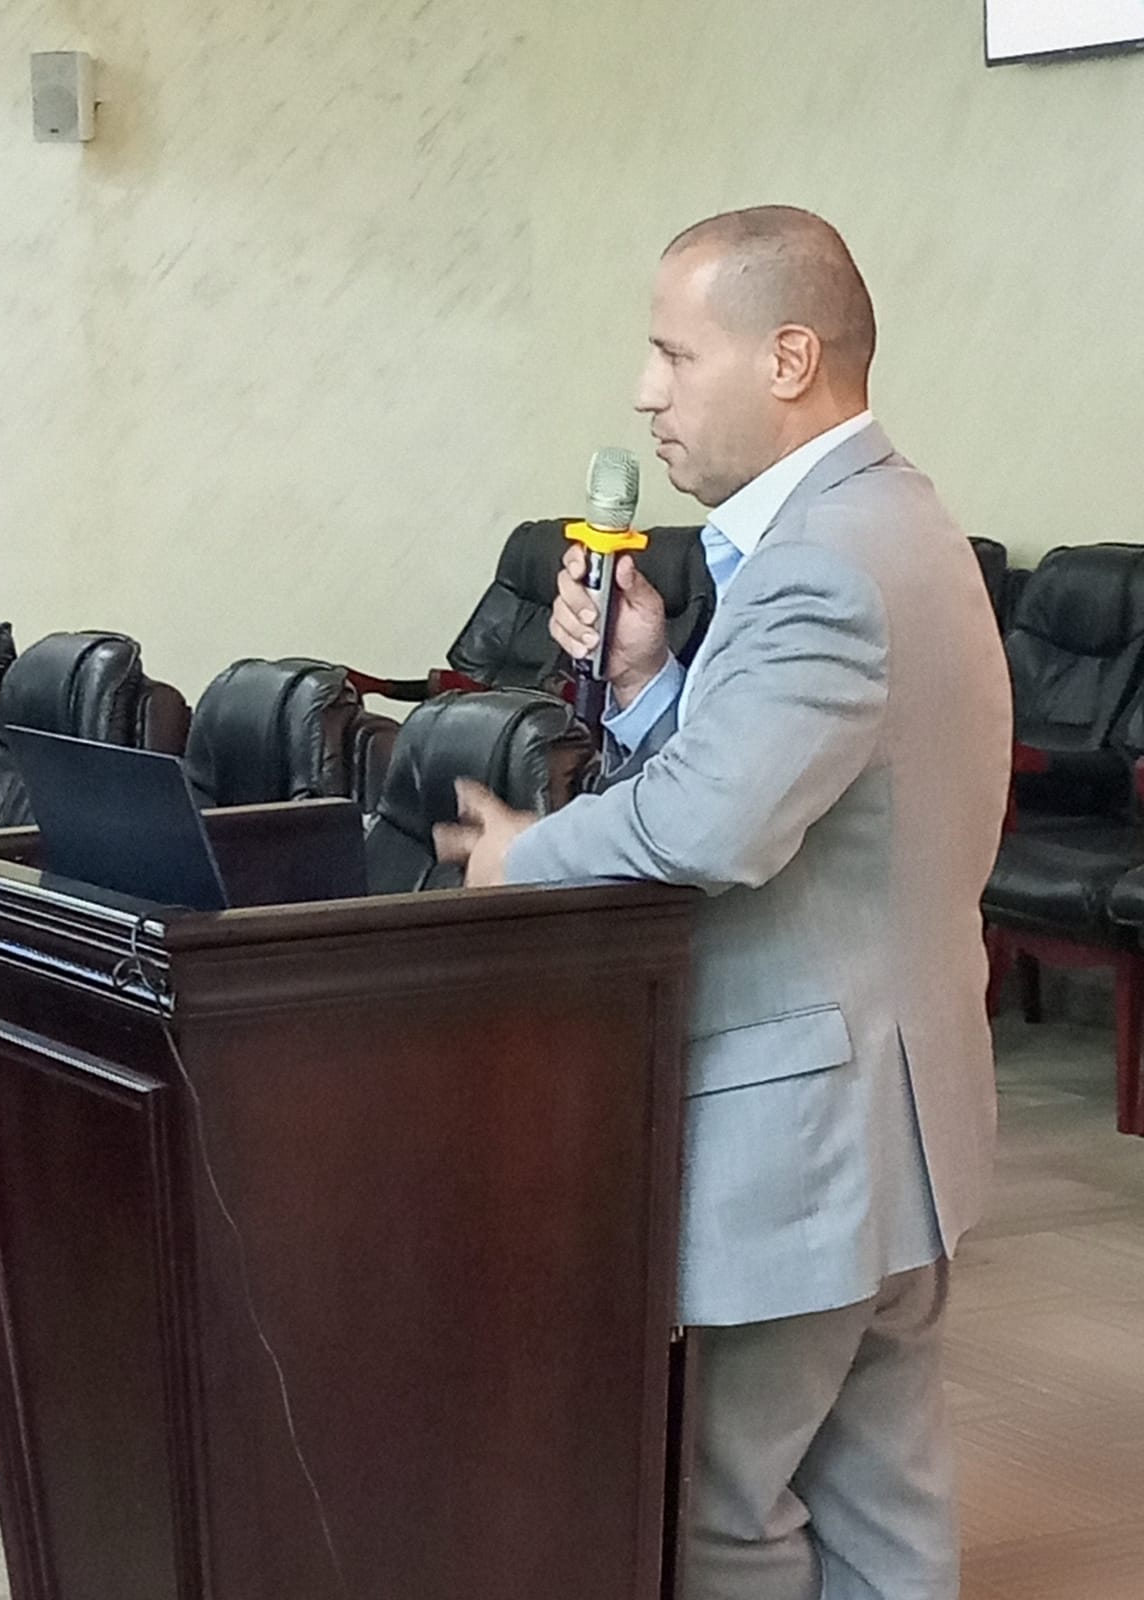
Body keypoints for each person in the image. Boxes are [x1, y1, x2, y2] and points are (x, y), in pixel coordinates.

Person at [436, 206, 1012, 1600]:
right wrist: (650, 683)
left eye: (675, 354)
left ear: (788, 359)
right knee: (880, 1502)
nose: (647, 393)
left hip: (806, 1135)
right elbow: (817, 773)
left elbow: (716, 824)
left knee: (720, 1512)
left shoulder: (819, 560)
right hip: (903, 1114)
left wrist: (527, 855)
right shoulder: (895, 517)